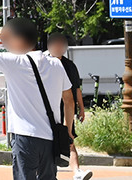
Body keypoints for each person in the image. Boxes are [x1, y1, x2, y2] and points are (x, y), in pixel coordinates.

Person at [0, 18, 75, 180]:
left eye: (7, 40)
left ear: (19, 40)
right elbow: (69, 100)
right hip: (51, 137)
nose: (5, 44)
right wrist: (68, 130)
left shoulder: (15, 62)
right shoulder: (56, 64)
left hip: (26, 136)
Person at [47, 33, 92, 180]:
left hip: (66, 108)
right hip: (47, 109)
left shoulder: (69, 65)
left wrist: (81, 107)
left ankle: (77, 172)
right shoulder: (42, 62)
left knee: (69, 138)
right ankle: (48, 173)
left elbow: (76, 89)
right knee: (47, 142)